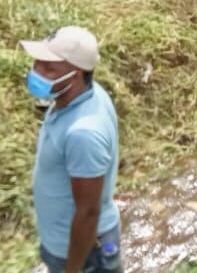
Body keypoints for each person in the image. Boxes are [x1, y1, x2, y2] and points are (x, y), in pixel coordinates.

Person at [21, 26, 122, 273]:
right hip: (67, 244)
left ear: (75, 75)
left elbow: (88, 212)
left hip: (83, 254)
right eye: (38, 62)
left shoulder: (83, 133)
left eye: (49, 68)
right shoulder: (87, 95)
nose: (37, 71)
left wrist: (72, 269)